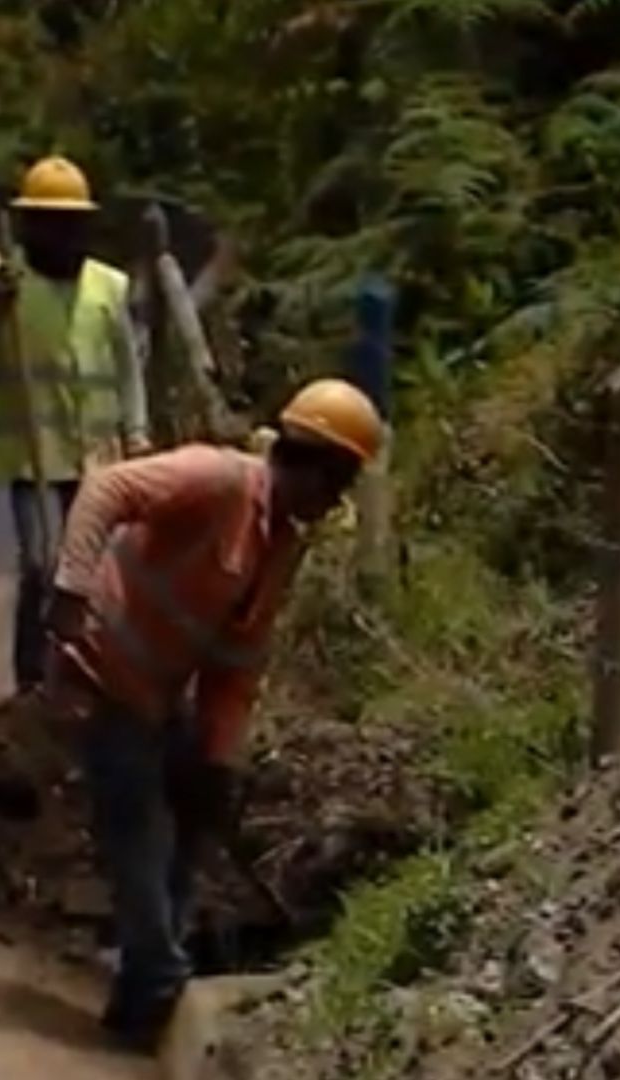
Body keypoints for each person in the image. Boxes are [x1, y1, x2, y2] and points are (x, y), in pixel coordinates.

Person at [41, 377, 383, 1048]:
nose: (333, 498)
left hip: (156, 698)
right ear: (308, 460)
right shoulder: (218, 479)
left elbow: (237, 662)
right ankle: (162, 977)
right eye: (334, 479)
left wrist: (219, 758)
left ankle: (142, 992)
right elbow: (106, 489)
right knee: (139, 826)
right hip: (100, 671)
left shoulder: (278, 544)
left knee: (187, 823)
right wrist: (71, 588)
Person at [0, 154, 151, 697]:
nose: (62, 234)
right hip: (32, 455)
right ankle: (32, 680)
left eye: (71, 224)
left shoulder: (108, 287)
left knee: (91, 574)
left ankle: (86, 675)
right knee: (41, 565)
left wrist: (138, 434)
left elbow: (128, 368)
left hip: (98, 456)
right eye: (49, 222)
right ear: (27, 225)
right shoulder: (0, 282)